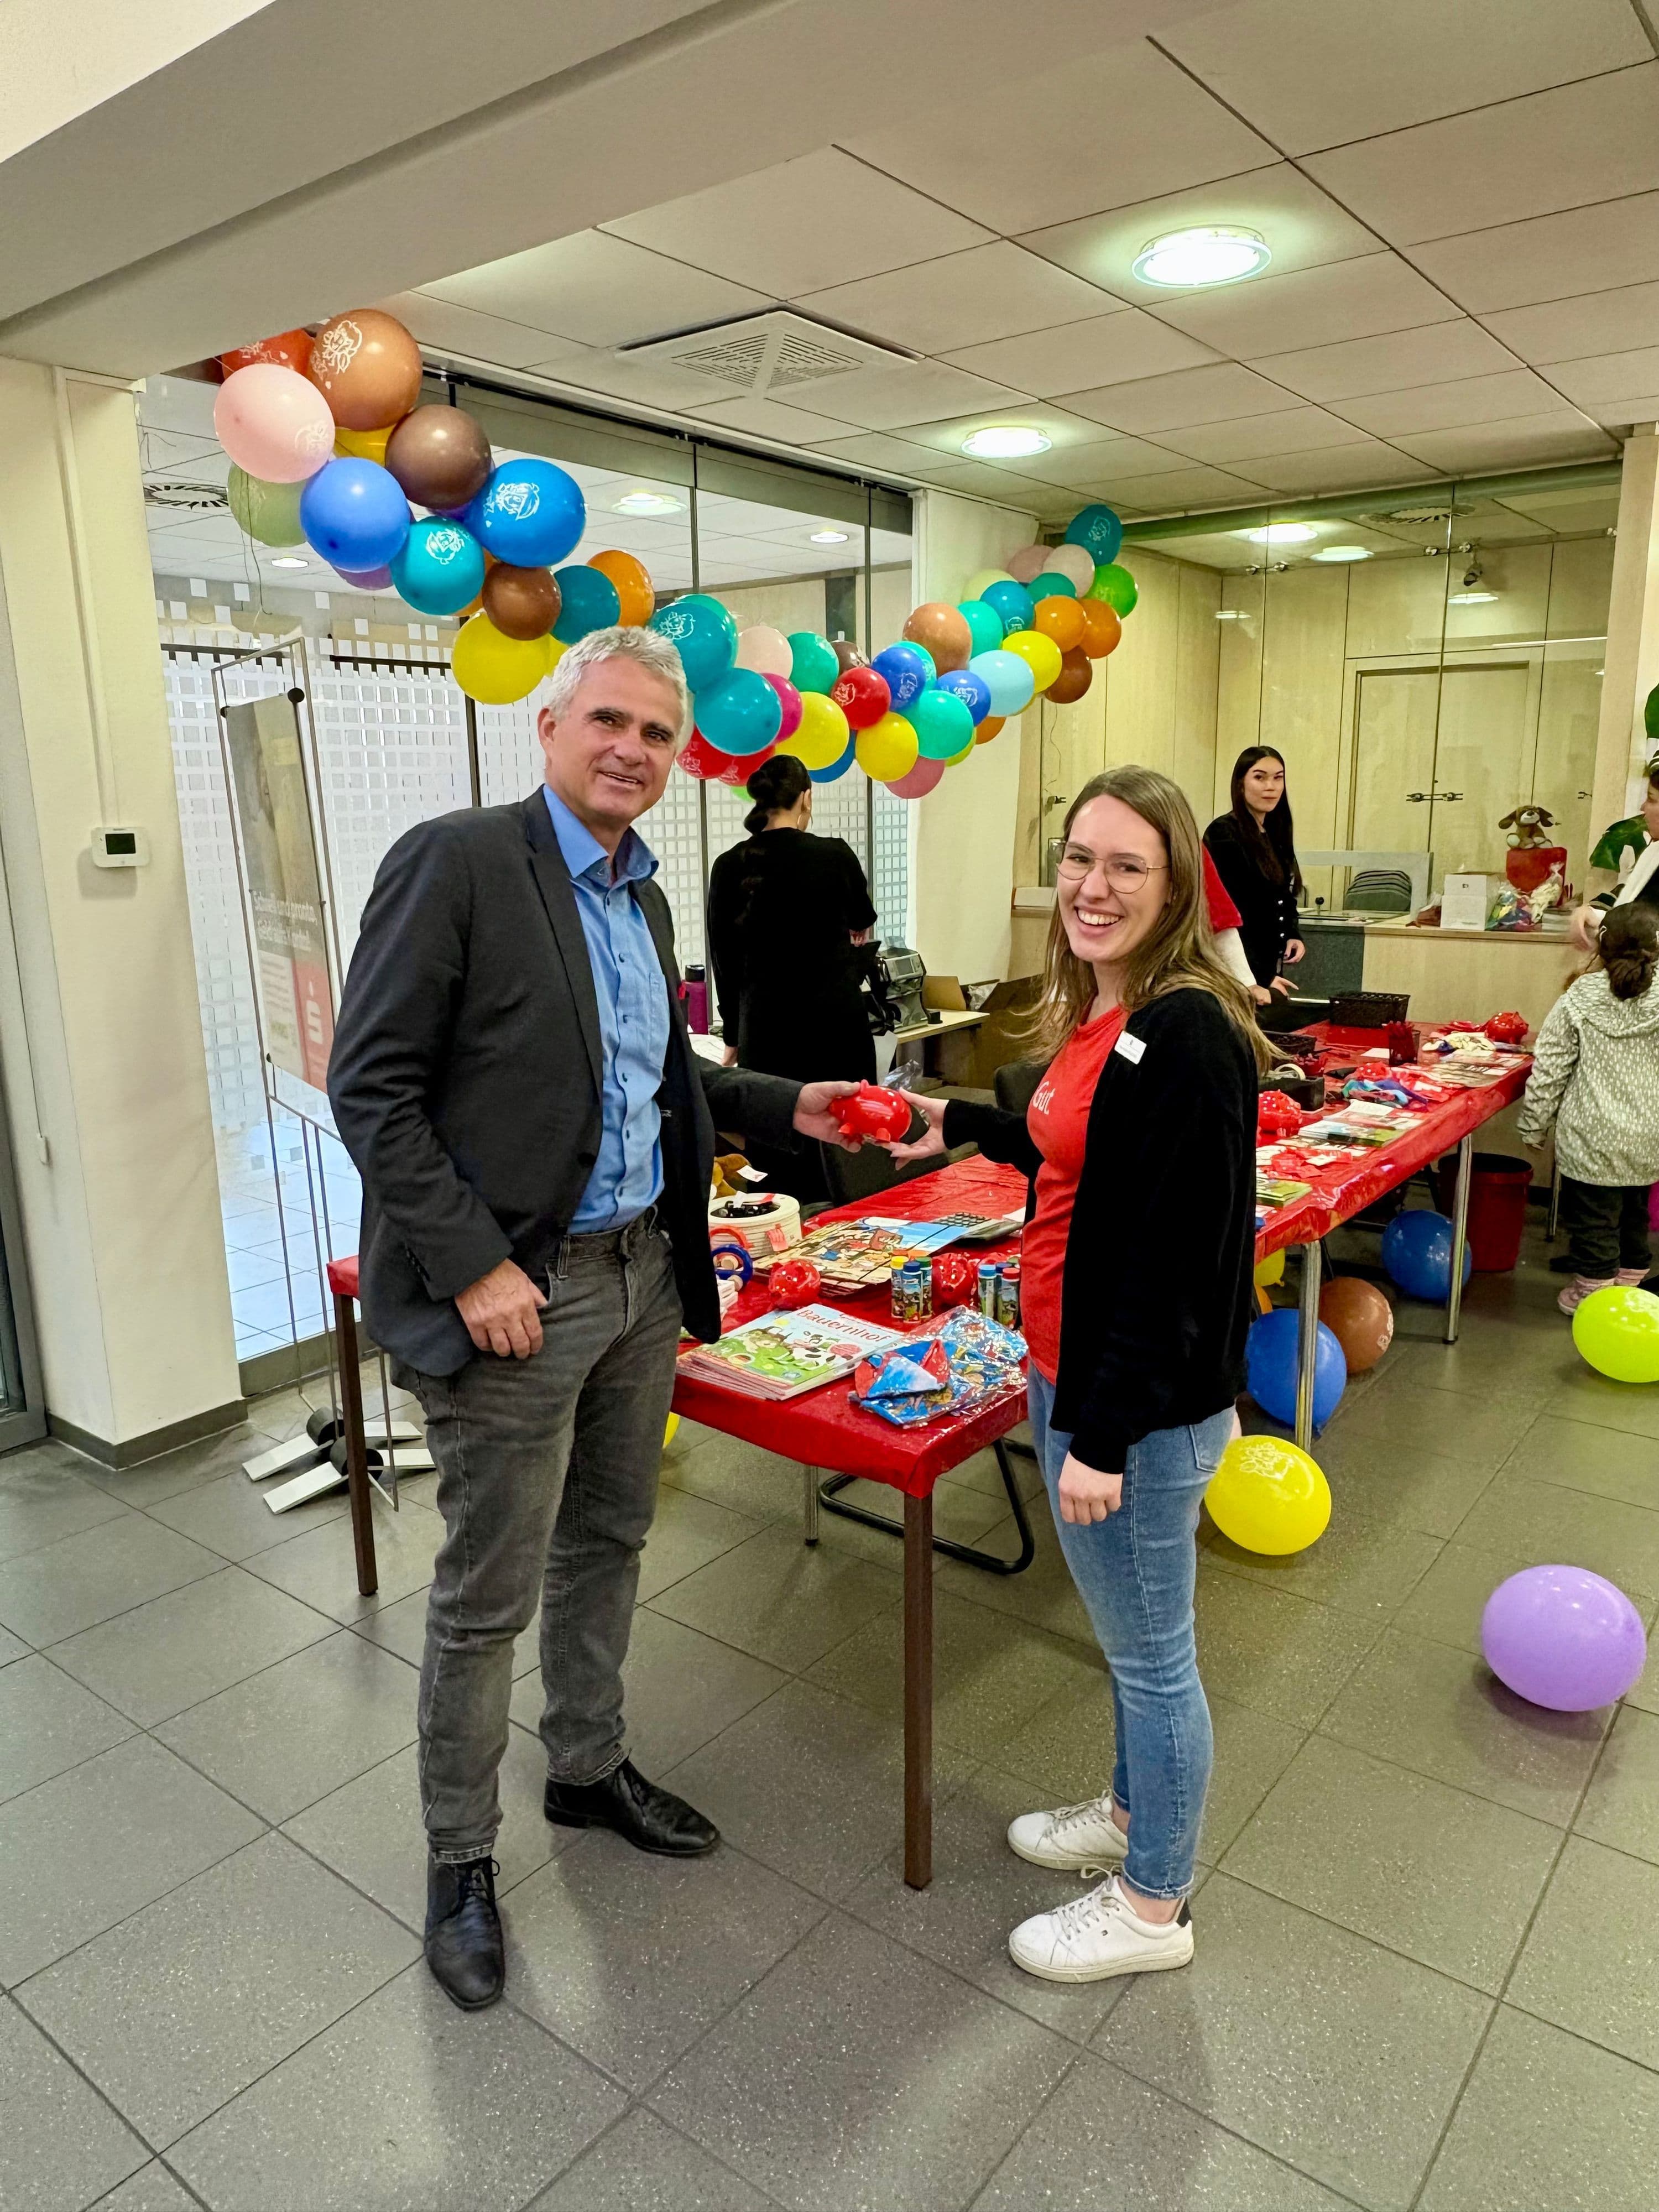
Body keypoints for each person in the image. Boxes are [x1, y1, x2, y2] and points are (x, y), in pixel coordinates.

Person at [327, 626, 858, 2013]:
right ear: (551, 724)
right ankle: (457, 1859)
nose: (631, 748)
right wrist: (471, 1267)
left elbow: (648, 1063)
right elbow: (370, 1087)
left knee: (611, 1539)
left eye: (657, 735)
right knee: (485, 1590)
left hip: (641, 1277)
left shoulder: (642, 894)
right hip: (517, 1296)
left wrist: (775, 1101)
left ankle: (582, 1765)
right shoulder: (457, 861)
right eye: (607, 720)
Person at [889, 764, 1266, 1983]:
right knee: (1132, 1642)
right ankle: (1125, 1810)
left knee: (1157, 1654)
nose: (1092, 887)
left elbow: (1172, 1260)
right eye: (1078, 860)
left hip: (1136, 1409)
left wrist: (1100, 1434)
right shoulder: (1115, 1012)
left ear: (1175, 890)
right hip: (1071, 1368)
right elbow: (1073, 1151)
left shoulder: (1191, 1030)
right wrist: (944, 1124)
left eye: (1126, 866)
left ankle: (1153, 1904)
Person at [707, 753, 878, 1196]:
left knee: (776, 1137)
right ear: (806, 798)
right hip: (835, 1022)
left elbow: (723, 961)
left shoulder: (729, 866)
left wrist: (732, 1035)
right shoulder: (833, 854)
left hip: (766, 1027)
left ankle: (782, 1241)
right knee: (849, 1134)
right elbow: (863, 919)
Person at [1518, 901, 1659, 1312]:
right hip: (1650, 1133)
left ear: (1602, 946)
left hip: (1591, 1133)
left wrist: (1534, 1126)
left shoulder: (1579, 997)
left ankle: (1593, 1297)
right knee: (1635, 1214)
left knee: (1594, 1220)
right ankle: (1630, 1287)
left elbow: (1551, 1067)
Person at [1204, 745, 1306, 1000]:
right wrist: (1259, 976)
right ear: (1241, 784)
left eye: (1278, 778)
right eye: (1259, 777)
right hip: (1236, 968)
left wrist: (1292, 933)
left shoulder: (1275, 830)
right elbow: (1234, 912)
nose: (1270, 786)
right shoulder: (1224, 833)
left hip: (1264, 964)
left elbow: (1282, 892)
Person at [1569, 761, 1659, 949]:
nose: (1643, 808)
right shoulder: (1654, 851)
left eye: (1651, 799)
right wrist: (1594, 913)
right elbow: (1631, 902)